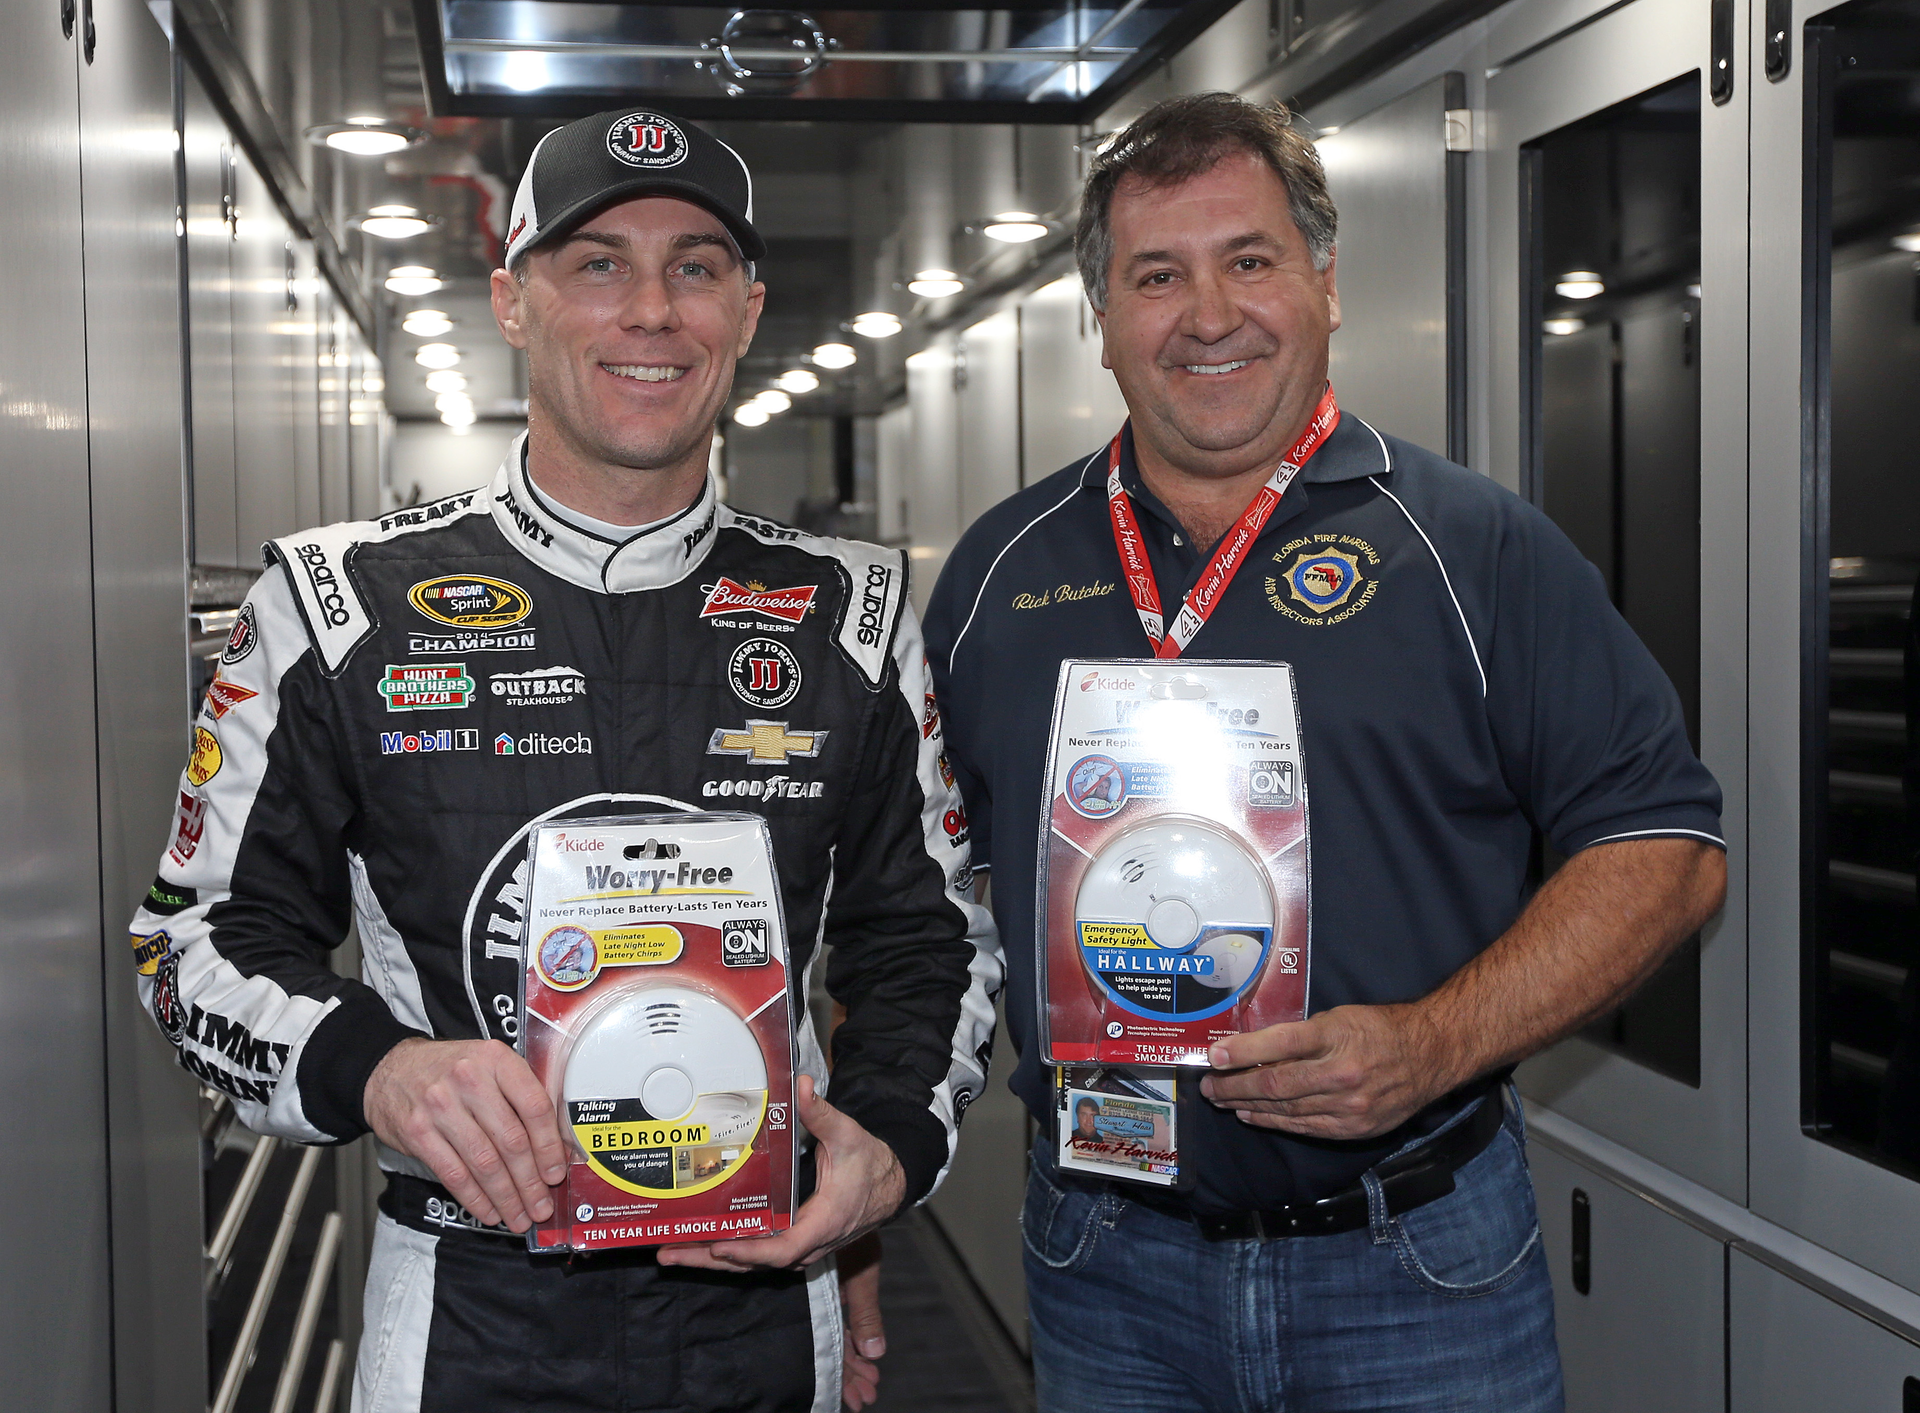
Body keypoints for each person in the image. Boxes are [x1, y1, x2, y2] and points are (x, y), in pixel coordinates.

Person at [127, 105, 1000, 1413]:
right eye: (597, 264)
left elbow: (933, 938)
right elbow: (191, 942)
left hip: (764, 1313)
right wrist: (380, 1067)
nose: (651, 310)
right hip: (469, 1319)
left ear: (748, 311)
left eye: (695, 266)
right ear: (513, 302)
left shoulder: (853, 615)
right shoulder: (335, 605)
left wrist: (883, 1152)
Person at [923, 91, 1726, 1411]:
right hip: (1107, 1259)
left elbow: (1667, 848)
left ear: (1325, 285)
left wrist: (1434, 1040)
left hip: (1414, 1262)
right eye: (1157, 276)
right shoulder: (1000, 578)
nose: (1211, 313)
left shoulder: (1475, 551)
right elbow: (934, 894)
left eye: (1251, 260)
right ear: (1104, 320)